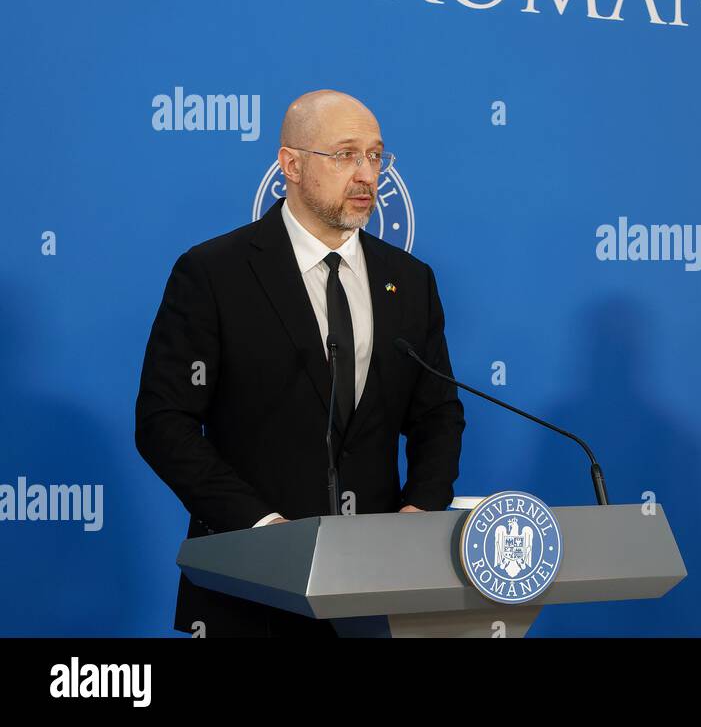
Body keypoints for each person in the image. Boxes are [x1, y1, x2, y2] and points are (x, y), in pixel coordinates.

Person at [136, 89, 465, 637]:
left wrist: (421, 514)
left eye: (376, 156)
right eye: (345, 155)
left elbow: (438, 414)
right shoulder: (215, 273)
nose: (367, 176)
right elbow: (163, 423)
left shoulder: (409, 281)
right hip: (248, 584)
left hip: (378, 586)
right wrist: (262, 527)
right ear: (290, 164)